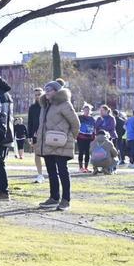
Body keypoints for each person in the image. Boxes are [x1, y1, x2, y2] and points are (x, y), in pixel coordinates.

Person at [36, 80, 79, 210]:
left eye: (49, 89)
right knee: (51, 171)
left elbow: (75, 123)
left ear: (57, 91)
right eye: (46, 89)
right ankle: (54, 198)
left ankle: (66, 200)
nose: (46, 92)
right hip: (48, 144)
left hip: (62, 144)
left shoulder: (65, 104)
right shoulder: (45, 105)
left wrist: (70, 138)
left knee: (62, 171)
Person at [27, 87, 45, 182]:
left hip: (46, 133)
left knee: (48, 154)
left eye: (39, 94)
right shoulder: (32, 108)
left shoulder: (46, 106)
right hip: (35, 134)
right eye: (36, 95)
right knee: (37, 154)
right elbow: (30, 122)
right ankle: (40, 174)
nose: (37, 96)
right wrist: (29, 136)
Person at [75, 103, 96, 173]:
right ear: (83, 110)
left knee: (87, 153)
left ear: (90, 111)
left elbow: (94, 128)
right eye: (85, 110)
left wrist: (94, 137)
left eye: (88, 110)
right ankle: (80, 167)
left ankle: (86, 167)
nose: (87, 111)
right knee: (81, 152)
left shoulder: (92, 119)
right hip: (80, 137)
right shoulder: (80, 117)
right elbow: (76, 125)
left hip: (89, 138)